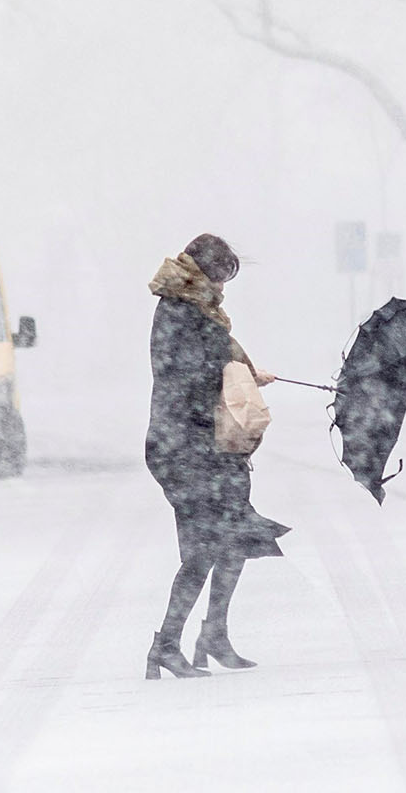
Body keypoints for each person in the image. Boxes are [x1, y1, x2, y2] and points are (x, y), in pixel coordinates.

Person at [144, 234, 289, 680]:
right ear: (204, 272)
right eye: (222, 277)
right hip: (184, 447)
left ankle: (213, 634)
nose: (224, 288)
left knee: (234, 538)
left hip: (207, 447)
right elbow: (190, 376)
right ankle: (166, 646)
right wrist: (237, 374)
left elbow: (214, 362)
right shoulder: (179, 312)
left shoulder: (197, 310)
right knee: (204, 548)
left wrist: (241, 373)